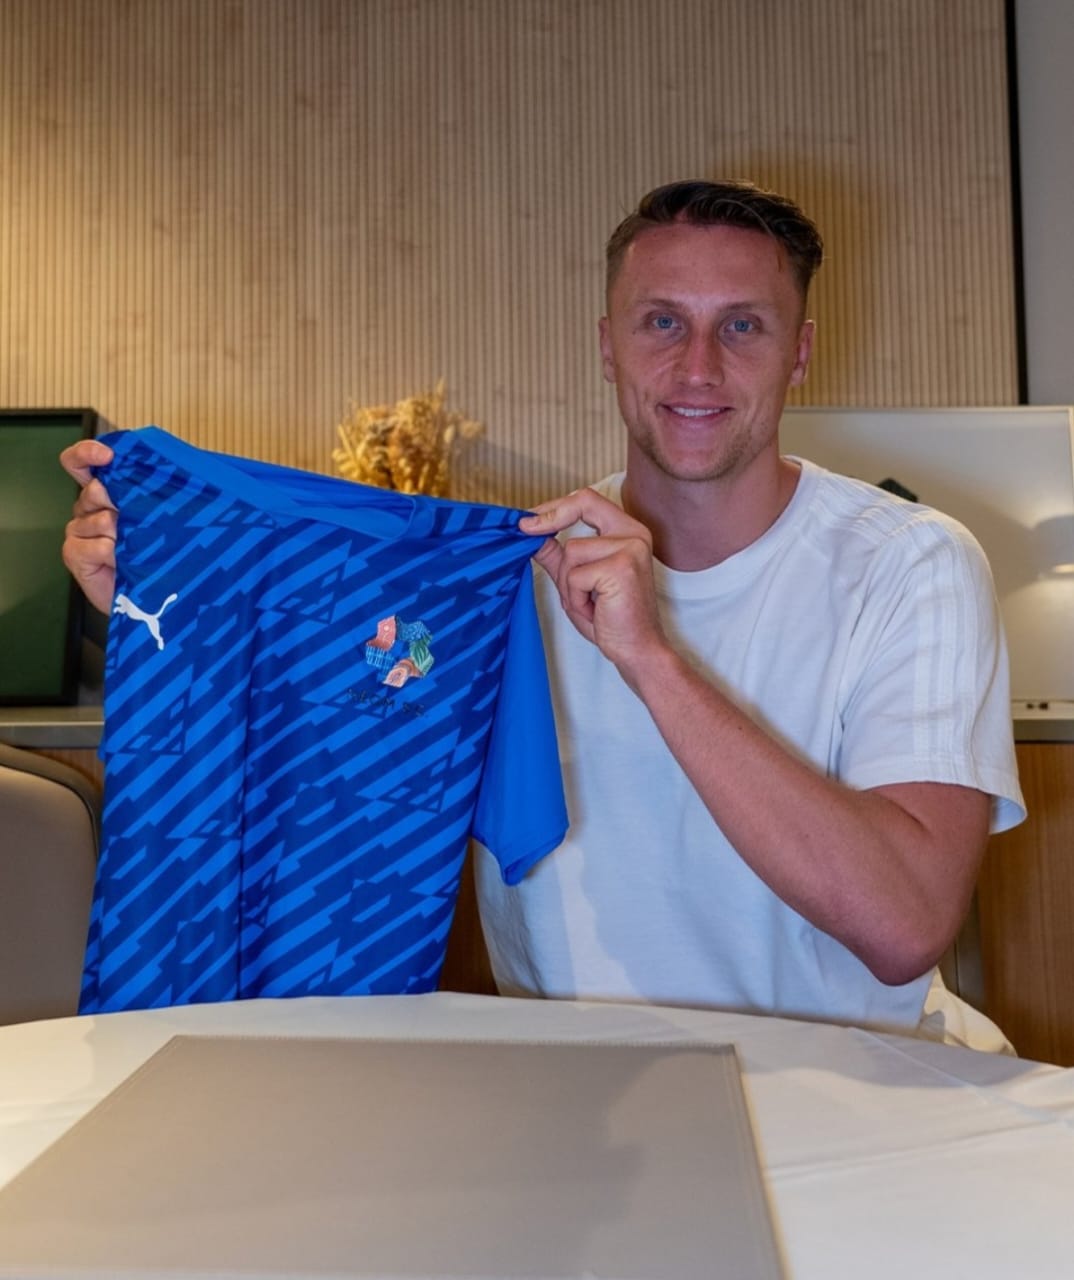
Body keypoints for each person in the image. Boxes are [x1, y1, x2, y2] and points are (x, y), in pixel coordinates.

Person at [61, 179, 1024, 1049]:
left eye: (743, 326)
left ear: (799, 352)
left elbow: (905, 926)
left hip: (857, 1094)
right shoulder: (501, 580)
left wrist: (650, 658)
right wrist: (175, 614)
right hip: (580, 1105)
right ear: (607, 345)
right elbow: (315, 765)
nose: (697, 367)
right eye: (661, 322)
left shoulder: (912, 564)